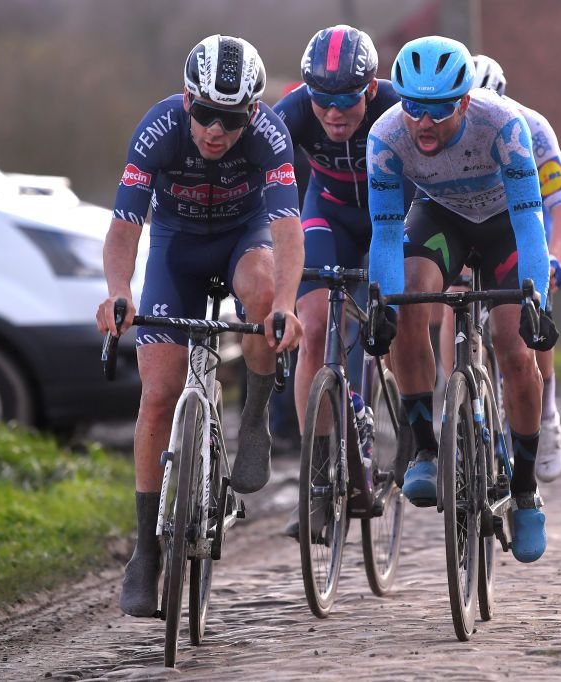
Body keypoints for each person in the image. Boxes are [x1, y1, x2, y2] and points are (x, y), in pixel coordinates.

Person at [96, 35, 303, 617]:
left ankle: (256, 416)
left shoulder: (268, 136)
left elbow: (288, 233)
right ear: (188, 100)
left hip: (245, 241)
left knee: (263, 294)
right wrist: (117, 293)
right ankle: (145, 550)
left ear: (253, 112)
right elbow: (124, 228)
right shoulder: (158, 128)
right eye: (206, 114)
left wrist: (285, 304)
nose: (216, 130)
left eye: (231, 119)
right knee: (159, 393)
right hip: (176, 251)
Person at [363, 36, 556, 563]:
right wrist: (381, 301)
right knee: (405, 303)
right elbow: (384, 235)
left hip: (503, 225)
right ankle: (424, 447)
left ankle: (523, 488)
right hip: (442, 217)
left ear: (465, 102)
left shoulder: (503, 125)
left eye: (439, 109)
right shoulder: (384, 135)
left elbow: (529, 223)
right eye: (414, 108)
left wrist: (537, 300)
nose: (423, 123)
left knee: (514, 348)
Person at [273, 26, 405, 536]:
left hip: (391, 217)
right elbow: (263, 183)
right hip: (326, 213)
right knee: (312, 329)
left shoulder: (397, 106)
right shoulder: (291, 112)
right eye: (321, 99)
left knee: (392, 318)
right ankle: (320, 481)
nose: (332, 113)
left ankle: (405, 416)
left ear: (370, 89)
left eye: (346, 100)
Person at [438, 54, 561, 482]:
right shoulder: (439, 128)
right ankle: (455, 404)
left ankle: (547, 406)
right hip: (460, 221)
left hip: (512, 226)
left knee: (530, 302)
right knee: (453, 298)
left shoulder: (531, 129)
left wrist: (553, 255)